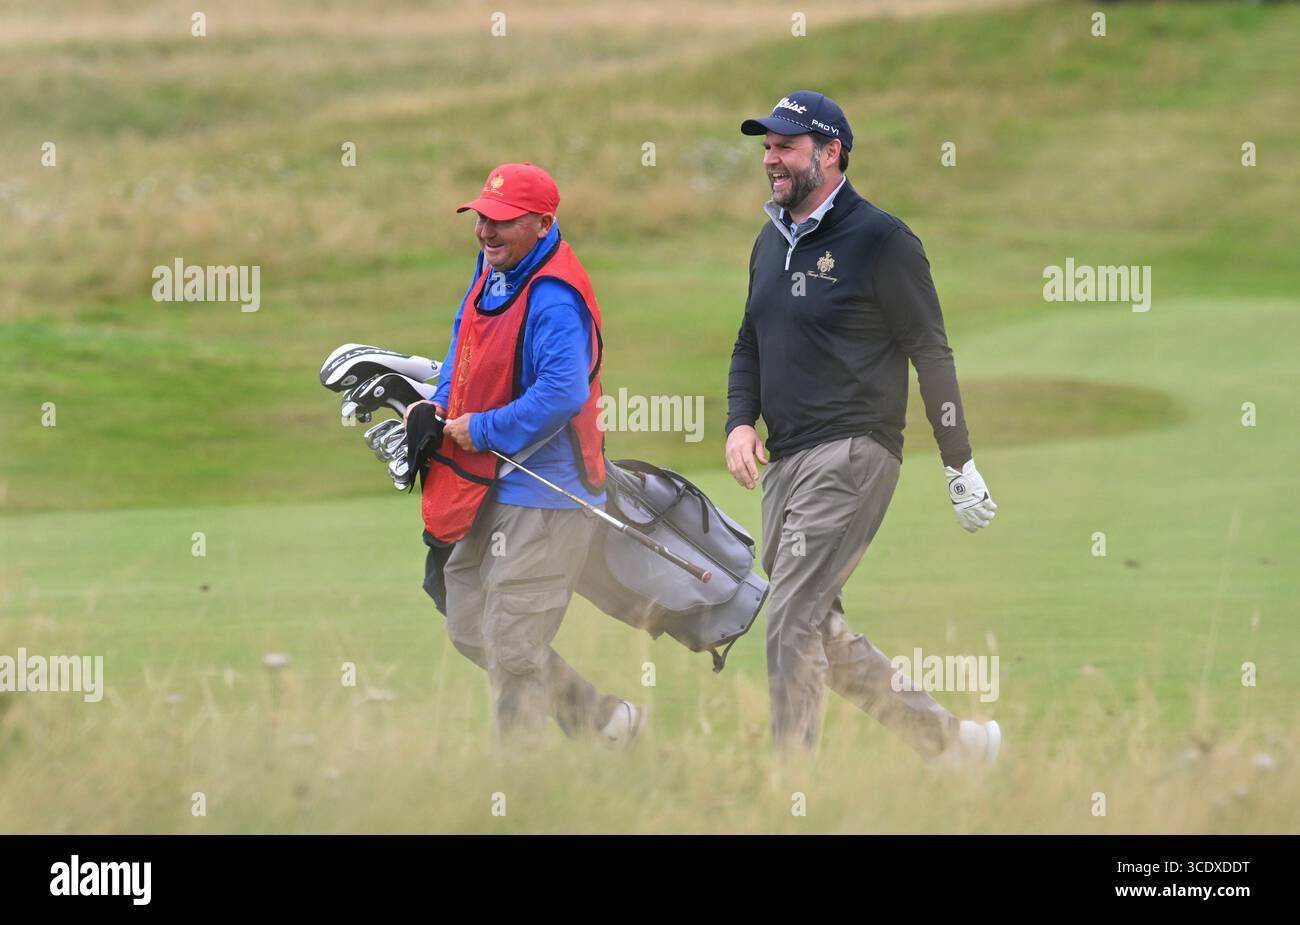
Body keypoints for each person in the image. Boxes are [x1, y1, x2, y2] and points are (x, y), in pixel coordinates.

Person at [725, 92, 1001, 762]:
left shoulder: (881, 240)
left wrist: (957, 460)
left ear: (831, 152)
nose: (771, 159)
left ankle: (788, 784)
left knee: (790, 615)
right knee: (817, 626)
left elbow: (930, 350)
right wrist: (739, 422)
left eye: (785, 146)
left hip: (854, 451)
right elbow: (749, 342)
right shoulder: (771, 241)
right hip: (786, 461)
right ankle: (952, 744)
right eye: (767, 147)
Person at [407, 162, 645, 747]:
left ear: (543, 223)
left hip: (548, 496)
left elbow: (561, 393)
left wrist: (481, 429)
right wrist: (436, 412)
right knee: (469, 625)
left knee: (513, 644)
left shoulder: (555, 296)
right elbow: (462, 350)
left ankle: (517, 786)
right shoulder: (494, 272)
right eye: (482, 218)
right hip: (486, 484)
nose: (487, 232)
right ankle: (604, 721)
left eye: (504, 222)